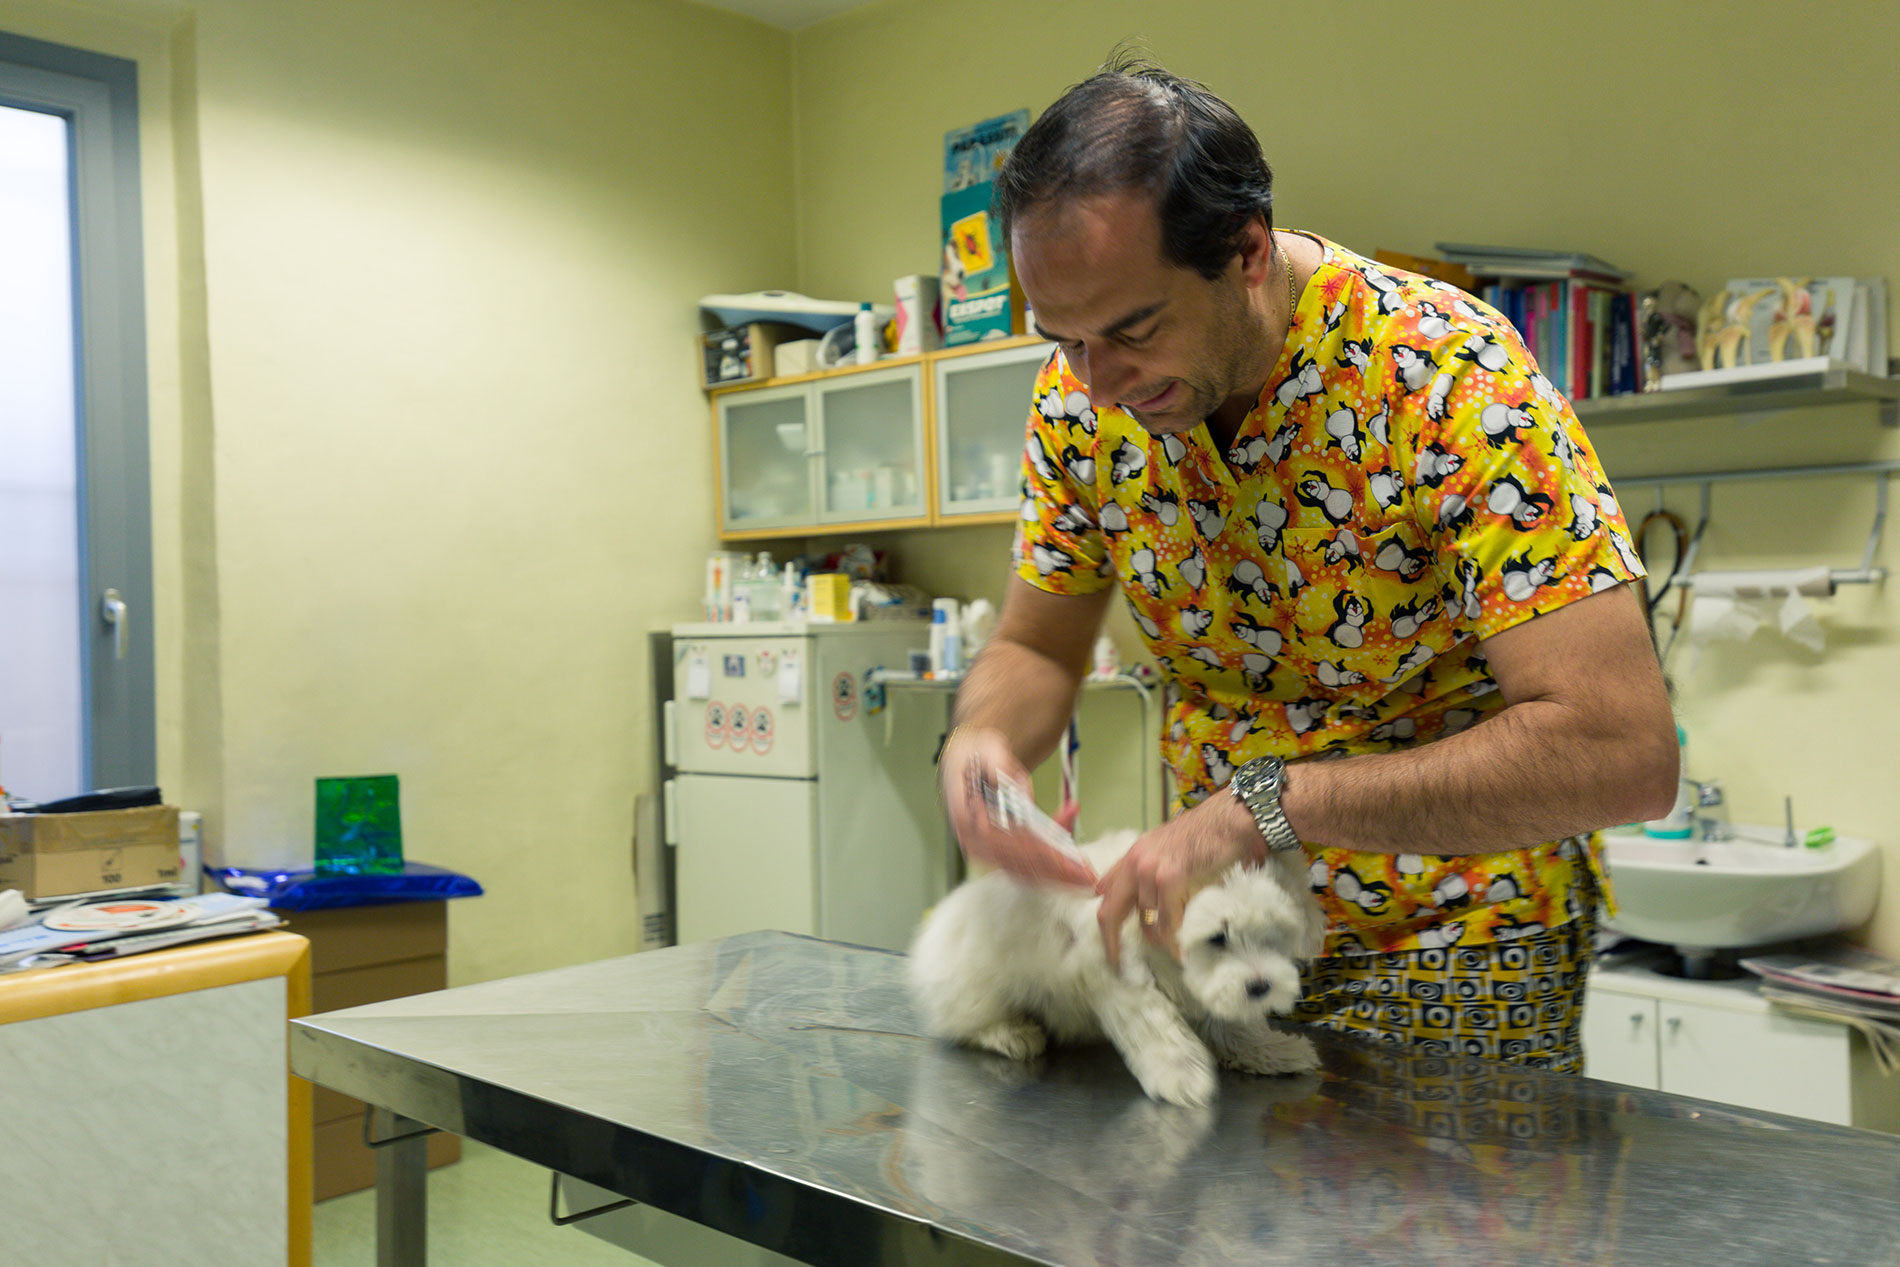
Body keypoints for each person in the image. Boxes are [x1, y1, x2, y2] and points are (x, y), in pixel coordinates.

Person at [936, 56, 1678, 1072]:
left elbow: (1621, 749)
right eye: (1061, 339)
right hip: (1211, 935)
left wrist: (1274, 802)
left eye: (1131, 329)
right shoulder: (1078, 403)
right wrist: (979, 747)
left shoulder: (1449, 377)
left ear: (1243, 253)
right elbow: (1036, 644)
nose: (1095, 383)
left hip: (1457, 947)